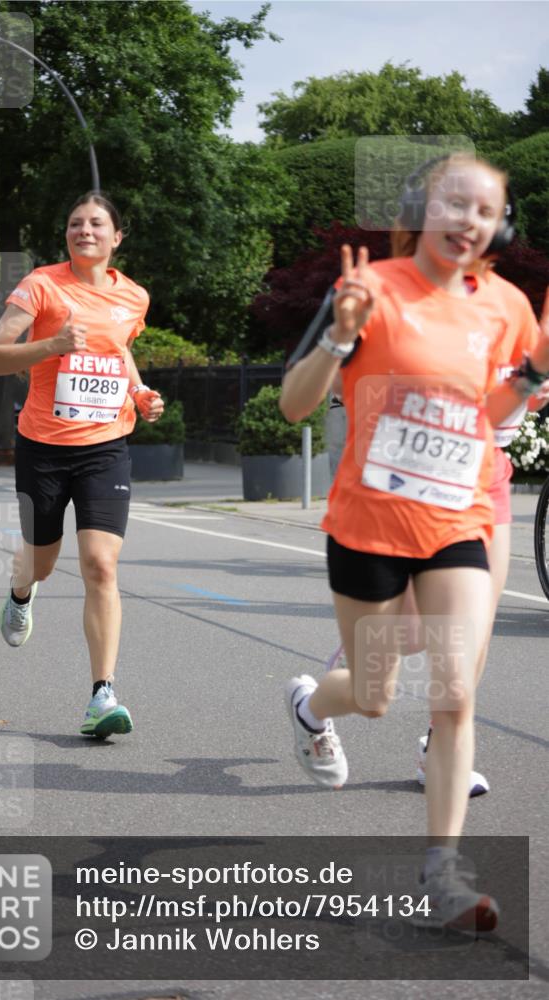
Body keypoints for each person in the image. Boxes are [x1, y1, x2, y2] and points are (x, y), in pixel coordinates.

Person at [279, 153, 549, 930]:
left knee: (457, 691)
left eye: (483, 209)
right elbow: (296, 406)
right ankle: (309, 705)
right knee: (373, 694)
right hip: (366, 525)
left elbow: (491, 416)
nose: (467, 220)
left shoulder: (506, 306)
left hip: (456, 518)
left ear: (498, 225)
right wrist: (339, 336)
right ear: (420, 210)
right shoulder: (371, 290)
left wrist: (533, 371)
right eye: (452, 204)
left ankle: (443, 870)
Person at [0, 192, 164, 737]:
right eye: (74, 223)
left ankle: (101, 694)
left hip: (106, 445)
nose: (84, 230)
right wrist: (53, 344)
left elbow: (119, 350)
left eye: (95, 223)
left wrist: (139, 393)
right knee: (39, 563)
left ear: (116, 237)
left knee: (101, 566)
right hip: (43, 445)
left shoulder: (134, 296)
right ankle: (21, 592)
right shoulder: (41, 284)